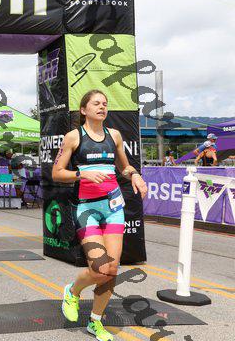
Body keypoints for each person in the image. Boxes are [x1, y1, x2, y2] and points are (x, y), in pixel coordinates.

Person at [52, 89, 147, 341]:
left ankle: (95, 321)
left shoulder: (114, 135)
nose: (102, 107)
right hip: (88, 209)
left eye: (105, 103)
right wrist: (81, 174)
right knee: (99, 268)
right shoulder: (74, 137)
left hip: (113, 208)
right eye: (96, 103)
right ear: (84, 110)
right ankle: (72, 291)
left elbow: (124, 166)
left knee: (111, 269)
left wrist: (134, 174)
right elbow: (57, 173)